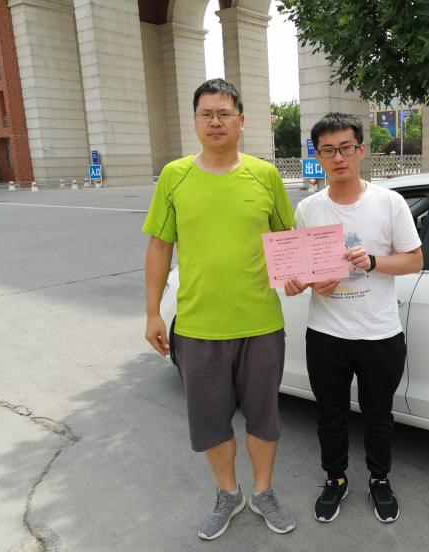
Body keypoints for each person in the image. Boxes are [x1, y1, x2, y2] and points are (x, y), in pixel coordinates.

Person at [142, 78, 296, 540]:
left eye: (224, 113)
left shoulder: (265, 175)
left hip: (260, 324)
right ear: (194, 121)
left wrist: (297, 274)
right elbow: (159, 246)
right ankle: (228, 494)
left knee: (264, 419)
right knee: (211, 423)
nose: (215, 121)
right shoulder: (174, 176)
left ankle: (263, 492)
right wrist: (152, 313)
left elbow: (286, 240)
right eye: (206, 113)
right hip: (198, 327)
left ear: (241, 121)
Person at [285, 113, 423, 524]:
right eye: (327, 150)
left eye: (346, 148)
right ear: (317, 157)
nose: (338, 158)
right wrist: (305, 284)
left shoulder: (389, 203)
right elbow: (299, 274)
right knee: (330, 416)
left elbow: (414, 260)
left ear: (361, 150)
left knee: (378, 417)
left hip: (380, 333)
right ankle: (336, 479)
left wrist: (373, 261)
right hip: (326, 334)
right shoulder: (308, 209)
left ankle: (379, 480)